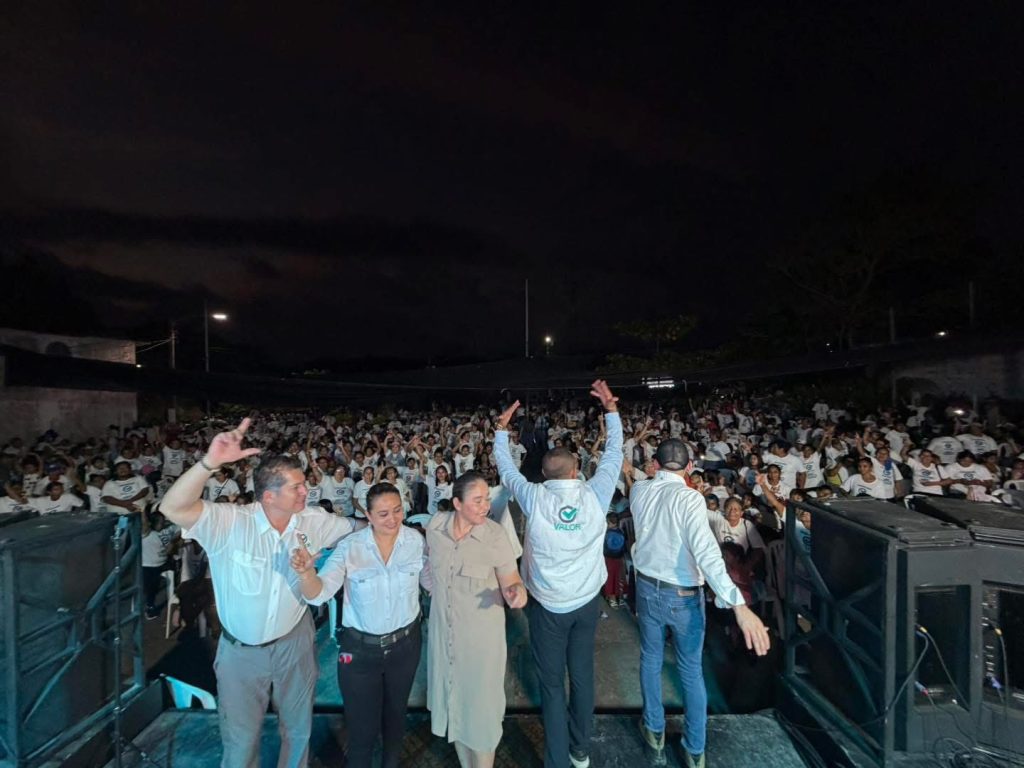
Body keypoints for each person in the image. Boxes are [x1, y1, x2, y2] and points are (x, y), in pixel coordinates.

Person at [159, 418, 358, 768]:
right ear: (269, 496)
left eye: (304, 484)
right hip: (241, 653)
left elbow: (360, 530)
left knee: (297, 730)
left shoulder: (314, 521)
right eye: (296, 487)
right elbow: (171, 508)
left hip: (295, 643)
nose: (306, 491)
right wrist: (209, 463)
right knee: (241, 740)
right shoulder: (230, 523)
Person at [492, 380, 623, 768]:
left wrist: (501, 432)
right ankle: (580, 751)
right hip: (585, 604)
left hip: (547, 607)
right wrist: (611, 412)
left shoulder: (533, 497)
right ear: (577, 470)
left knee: (551, 687)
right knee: (582, 676)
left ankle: (557, 762)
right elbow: (614, 453)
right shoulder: (596, 493)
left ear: (544, 474)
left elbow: (507, 470)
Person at [629, 438, 770, 768]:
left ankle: (654, 731)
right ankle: (694, 749)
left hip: (646, 588)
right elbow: (706, 553)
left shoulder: (639, 491)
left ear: (655, 464)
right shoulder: (689, 498)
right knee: (690, 670)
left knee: (650, 658)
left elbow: (644, 482)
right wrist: (739, 606)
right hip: (682, 596)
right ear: (690, 467)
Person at [290, 482, 430, 768]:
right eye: (383, 514)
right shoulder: (350, 547)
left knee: (395, 717)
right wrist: (306, 574)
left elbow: (430, 580)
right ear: (368, 515)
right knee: (362, 728)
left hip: (405, 645)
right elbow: (319, 593)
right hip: (360, 651)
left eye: (397, 510)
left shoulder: (415, 541)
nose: (392, 519)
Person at [424, 470, 527, 768]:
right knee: (453, 710)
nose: (485, 507)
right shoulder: (435, 528)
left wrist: (517, 594)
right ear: (457, 503)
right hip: (444, 640)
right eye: (477, 500)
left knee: (481, 718)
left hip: (481, 646)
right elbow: (428, 568)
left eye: (487, 500)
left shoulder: (495, 535)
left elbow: (513, 580)